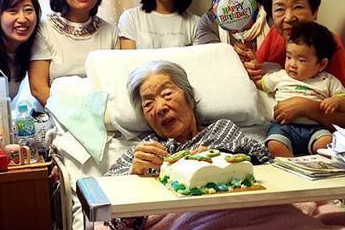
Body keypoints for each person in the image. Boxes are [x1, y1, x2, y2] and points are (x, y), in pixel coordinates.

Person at [236, 0, 345, 128]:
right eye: (279, 9)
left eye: (298, 7)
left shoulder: (328, 44)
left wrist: (306, 107)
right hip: (278, 127)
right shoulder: (275, 34)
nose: (288, 17)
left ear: (315, 12)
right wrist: (253, 66)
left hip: (315, 131)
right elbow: (262, 80)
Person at [107, 60, 270, 178]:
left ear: (190, 99)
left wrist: (222, 159)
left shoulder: (221, 129)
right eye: (148, 103)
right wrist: (134, 174)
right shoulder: (147, 149)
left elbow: (267, 164)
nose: (160, 107)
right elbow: (105, 194)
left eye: (167, 94)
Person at [29, 0, 119, 106]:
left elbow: (115, 85)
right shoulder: (43, 28)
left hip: (101, 113)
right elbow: (38, 88)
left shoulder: (111, 32)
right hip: (55, 114)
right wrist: (74, 116)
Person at [257, 21, 345, 157]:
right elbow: (259, 84)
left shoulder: (327, 80)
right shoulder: (281, 76)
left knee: (327, 142)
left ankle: (313, 164)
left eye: (301, 60)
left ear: (321, 64)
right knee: (274, 145)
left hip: (315, 128)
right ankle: (291, 164)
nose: (292, 64)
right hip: (284, 126)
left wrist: (336, 101)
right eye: (289, 57)